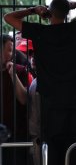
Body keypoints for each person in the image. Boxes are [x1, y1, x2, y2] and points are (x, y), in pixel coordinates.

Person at [4, 0, 76, 165]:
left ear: (49, 12)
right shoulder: (74, 28)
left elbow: (8, 17)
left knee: (53, 150)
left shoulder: (39, 31)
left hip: (50, 101)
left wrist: (34, 10)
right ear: (66, 13)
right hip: (75, 100)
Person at [0, 35, 28, 165]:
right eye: (9, 50)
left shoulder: (20, 71)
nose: (12, 55)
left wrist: (13, 75)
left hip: (16, 133)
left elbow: (23, 99)